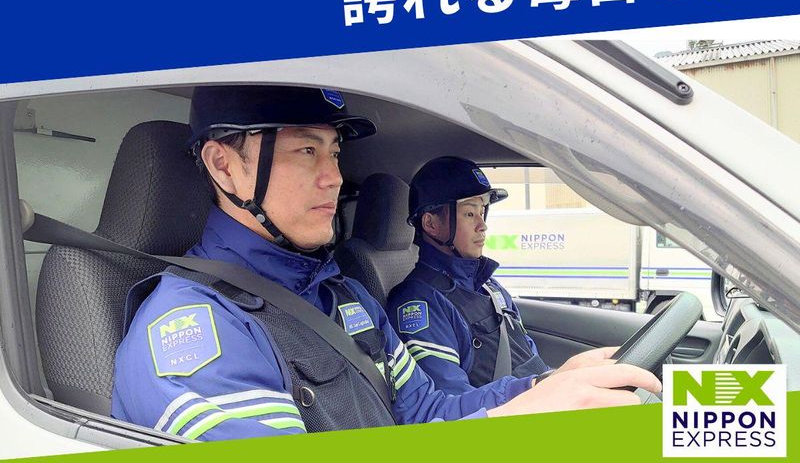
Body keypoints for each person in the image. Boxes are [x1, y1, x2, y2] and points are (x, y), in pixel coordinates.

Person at [111, 85, 661, 442]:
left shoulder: (343, 296)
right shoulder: (192, 332)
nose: (334, 178)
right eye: (307, 151)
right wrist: (506, 424)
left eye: (335, 152)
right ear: (224, 166)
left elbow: (425, 410)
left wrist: (543, 389)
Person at [388, 157, 550, 394]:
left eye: (482, 212)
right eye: (470, 214)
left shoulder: (490, 287)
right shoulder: (419, 302)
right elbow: (452, 403)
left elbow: (528, 357)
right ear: (431, 224)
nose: (482, 225)